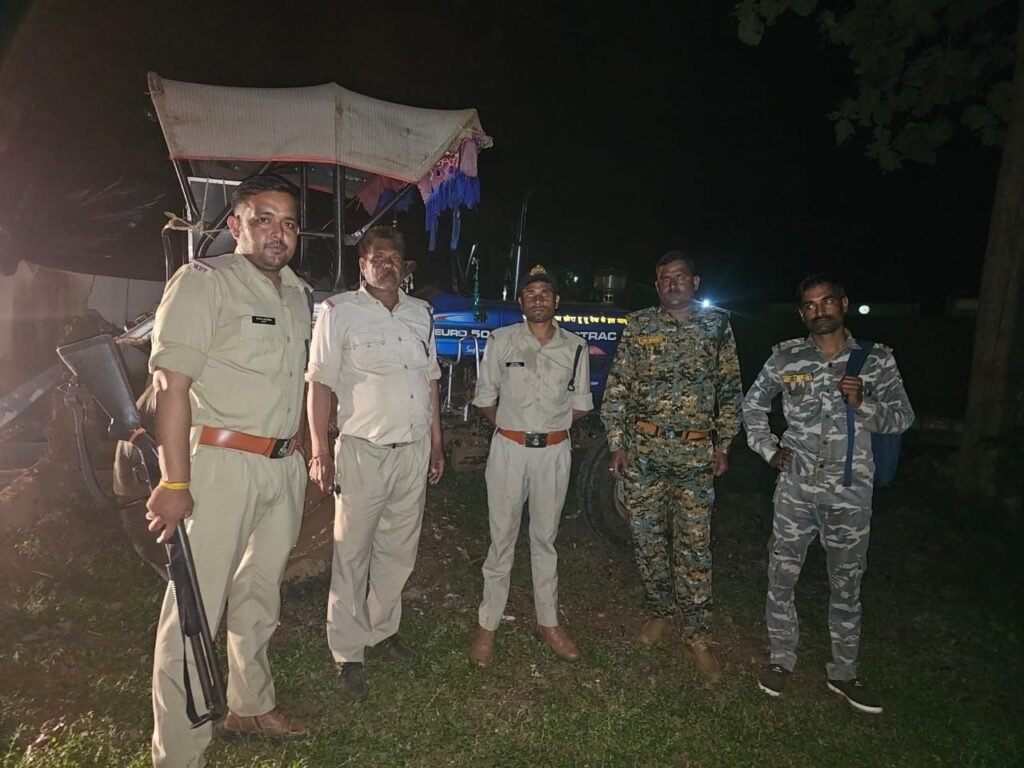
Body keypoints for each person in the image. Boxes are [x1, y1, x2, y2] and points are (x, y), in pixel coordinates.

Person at [145, 174, 312, 767]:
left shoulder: (298, 295)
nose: (278, 233)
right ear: (236, 224)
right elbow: (171, 387)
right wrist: (175, 481)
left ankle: (250, 703)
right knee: (195, 610)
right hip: (219, 466)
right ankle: (179, 753)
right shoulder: (205, 282)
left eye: (288, 223)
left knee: (260, 594)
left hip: (282, 467)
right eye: (263, 219)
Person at [742, 273, 914, 714]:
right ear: (802, 313)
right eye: (810, 305)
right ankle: (781, 658)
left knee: (847, 585)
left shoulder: (876, 360)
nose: (819, 310)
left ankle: (844, 672)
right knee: (781, 576)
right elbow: (753, 404)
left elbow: (903, 417)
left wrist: (863, 404)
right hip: (796, 490)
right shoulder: (787, 358)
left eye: (827, 302)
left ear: (844, 304)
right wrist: (769, 450)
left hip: (849, 494)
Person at [306, 225, 444, 703]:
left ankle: (382, 630)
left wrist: (437, 444)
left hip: (413, 449)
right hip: (363, 451)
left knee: (398, 551)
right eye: (376, 257)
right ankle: (348, 652)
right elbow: (319, 383)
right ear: (362, 265)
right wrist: (320, 449)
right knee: (352, 553)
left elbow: (429, 380)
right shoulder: (338, 311)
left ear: (405, 267)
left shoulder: (421, 313)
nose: (386, 265)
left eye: (394, 258)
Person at [600, 251, 742, 682]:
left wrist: (723, 443)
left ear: (695, 282)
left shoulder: (716, 325)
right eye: (665, 278)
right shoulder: (640, 325)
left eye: (680, 277)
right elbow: (618, 386)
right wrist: (617, 444)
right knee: (646, 539)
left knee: (694, 546)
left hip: (696, 455)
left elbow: (730, 388)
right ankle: (661, 609)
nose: (673, 284)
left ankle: (697, 634)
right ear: (657, 284)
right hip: (645, 452)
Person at [468, 265, 594, 667]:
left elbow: (580, 405)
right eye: (530, 293)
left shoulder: (576, 347)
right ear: (520, 302)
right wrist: (516, 427)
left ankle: (548, 621)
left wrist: (547, 428)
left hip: (553, 453)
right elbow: (485, 398)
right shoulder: (501, 340)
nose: (538, 299)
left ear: (556, 301)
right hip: (509, 450)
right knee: (501, 539)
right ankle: (488, 624)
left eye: (545, 293)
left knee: (545, 539)